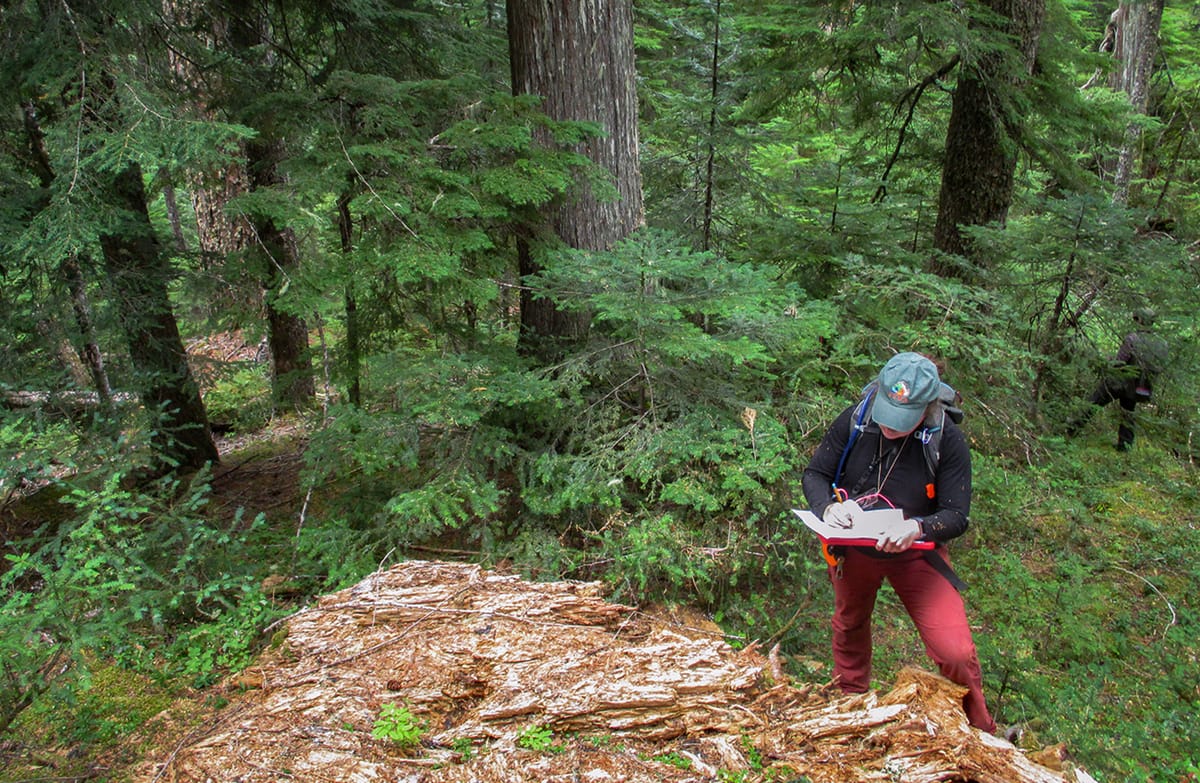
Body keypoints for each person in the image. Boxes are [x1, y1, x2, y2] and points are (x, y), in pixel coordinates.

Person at [801, 352, 997, 733]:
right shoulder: (857, 419)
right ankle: (850, 707)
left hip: (917, 555)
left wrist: (918, 528)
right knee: (849, 624)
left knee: (955, 650)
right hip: (854, 547)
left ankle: (980, 730)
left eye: (902, 420)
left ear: (926, 408)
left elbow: (956, 514)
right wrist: (827, 508)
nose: (890, 427)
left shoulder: (946, 439)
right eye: (887, 415)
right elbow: (815, 474)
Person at [1068, 308, 1169, 452]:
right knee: (1128, 411)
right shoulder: (1162, 343)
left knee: (1095, 401)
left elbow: (1119, 362)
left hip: (1121, 382)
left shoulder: (1132, 338)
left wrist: (1108, 362)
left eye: (1136, 319)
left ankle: (1072, 428)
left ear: (1140, 320)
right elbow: (1159, 368)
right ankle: (1125, 446)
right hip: (1142, 387)